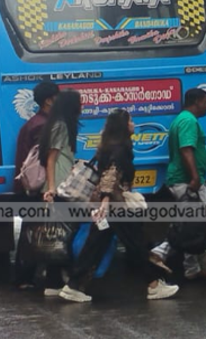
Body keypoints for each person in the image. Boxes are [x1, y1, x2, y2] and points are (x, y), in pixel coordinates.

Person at [59, 109, 179, 303]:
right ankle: (154, 285)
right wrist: (106, 202)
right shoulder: (120, 149)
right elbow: (110, 176)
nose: (133, 123)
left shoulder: (108, 146)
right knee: (136, 244)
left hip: (107, 206)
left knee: (95, 245)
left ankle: (73, 285)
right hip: (115, 206)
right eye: (130, 120)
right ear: (123, 126)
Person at [151, 88, 206, 281]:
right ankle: (159, 252)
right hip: (186, 181)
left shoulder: (183, 119)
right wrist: (195, 178)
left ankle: (192, 269)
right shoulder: (188, 121)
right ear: (196, 101)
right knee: (190, 225)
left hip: (182, 179)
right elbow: (186, 150)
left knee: (191, 223)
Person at [13, 80, 59, 290]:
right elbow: (47, 160)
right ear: (49, 100)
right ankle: (28, 276)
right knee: (38, 231)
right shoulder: (43, 125)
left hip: (30, 187)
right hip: (38, 187)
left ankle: (26, 276)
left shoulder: (35, 122)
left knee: (32, 230)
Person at [37, 89, 82, 295]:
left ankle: (54, 281)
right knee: (63, 234)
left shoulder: (58, 124)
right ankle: (58, 280)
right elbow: (51, 159)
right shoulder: (61, 126)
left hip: (62, 184)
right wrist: (52, 188)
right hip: (60, 187)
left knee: (60, 234)